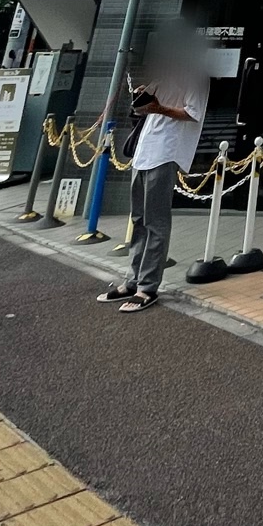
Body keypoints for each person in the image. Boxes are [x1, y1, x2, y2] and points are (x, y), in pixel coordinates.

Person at [98, 20, 212, 314]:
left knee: (156, 222)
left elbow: (193, 112)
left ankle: (148, 286)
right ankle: (133, 280)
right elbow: (146, 109)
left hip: (166, 152)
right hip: (144, 151)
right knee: (138, 219)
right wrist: (143, 98)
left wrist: (158, 107)